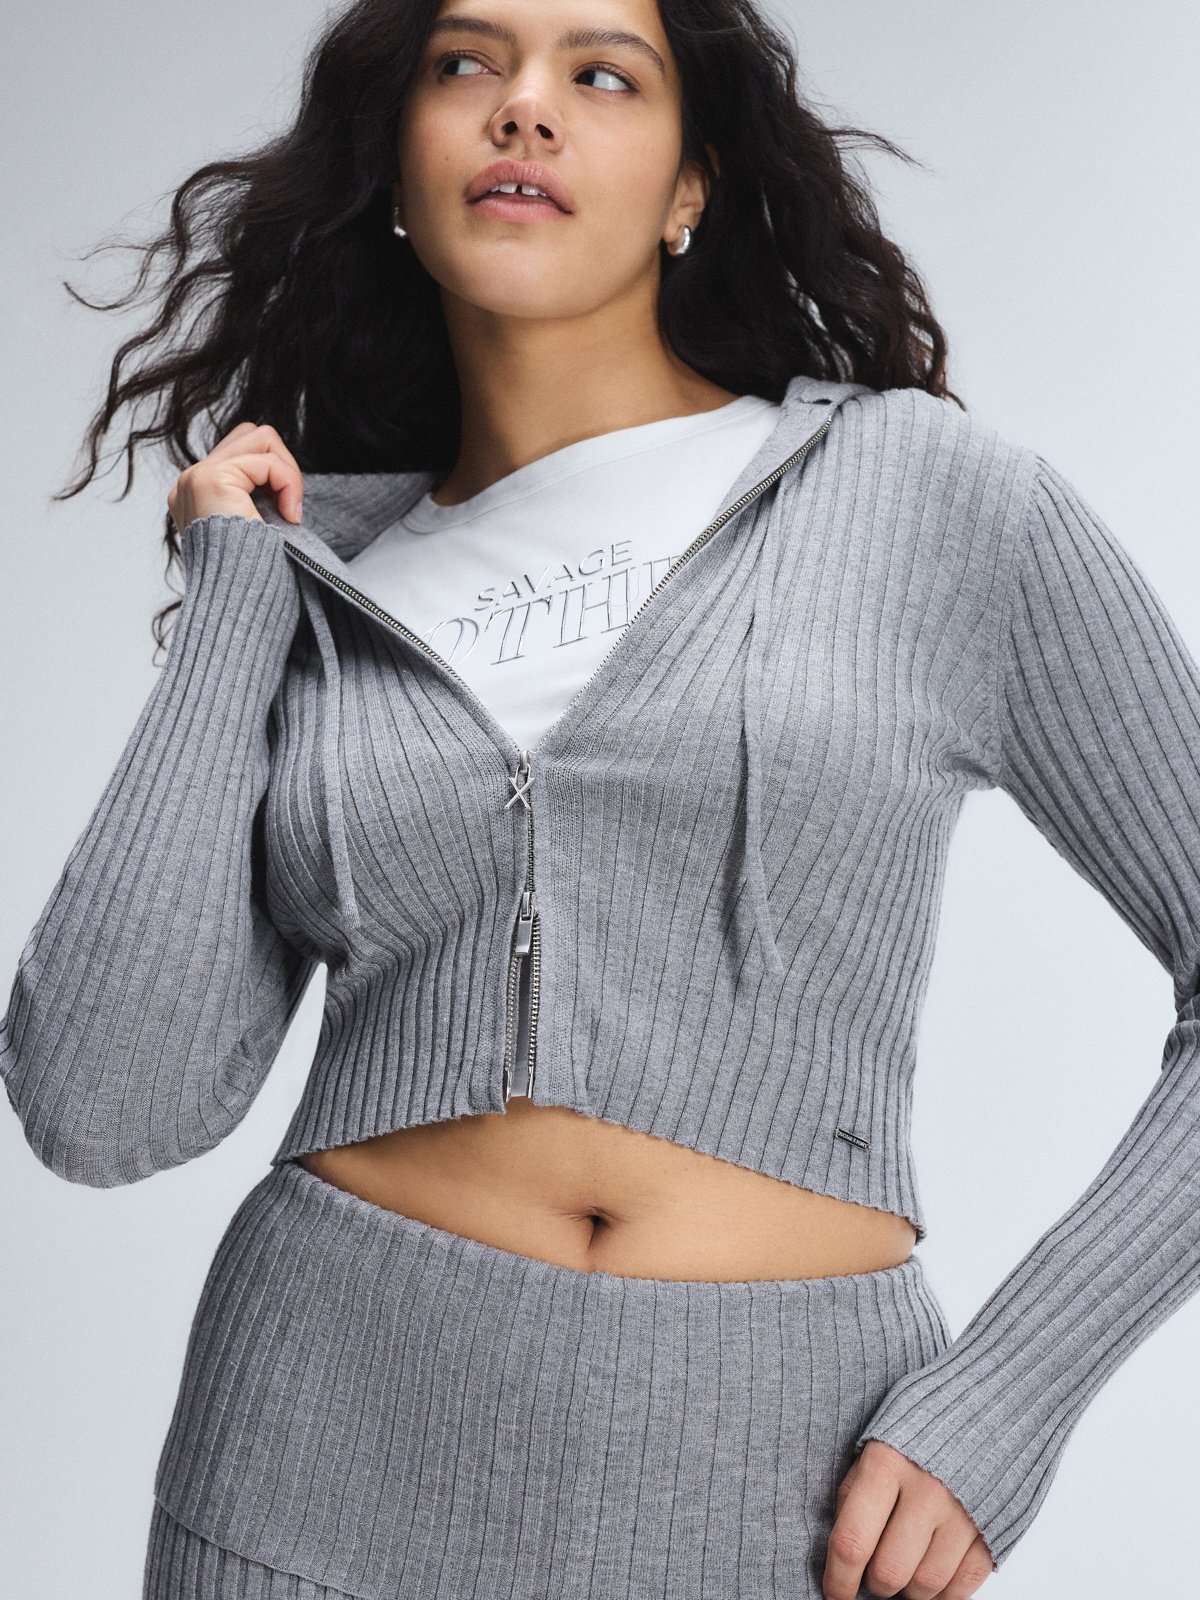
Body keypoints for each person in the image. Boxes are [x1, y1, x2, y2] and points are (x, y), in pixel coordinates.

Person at [3, 0, 1198, 1597]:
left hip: (783, 1496)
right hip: (311, 1462)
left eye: (601, 73)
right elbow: (97, 1106)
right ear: (399, 166)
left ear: (689, 184)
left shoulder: (926, 501)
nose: (525, 107)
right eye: (467, 64)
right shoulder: (321, 583)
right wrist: (236, 589)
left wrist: (1012, 1399)